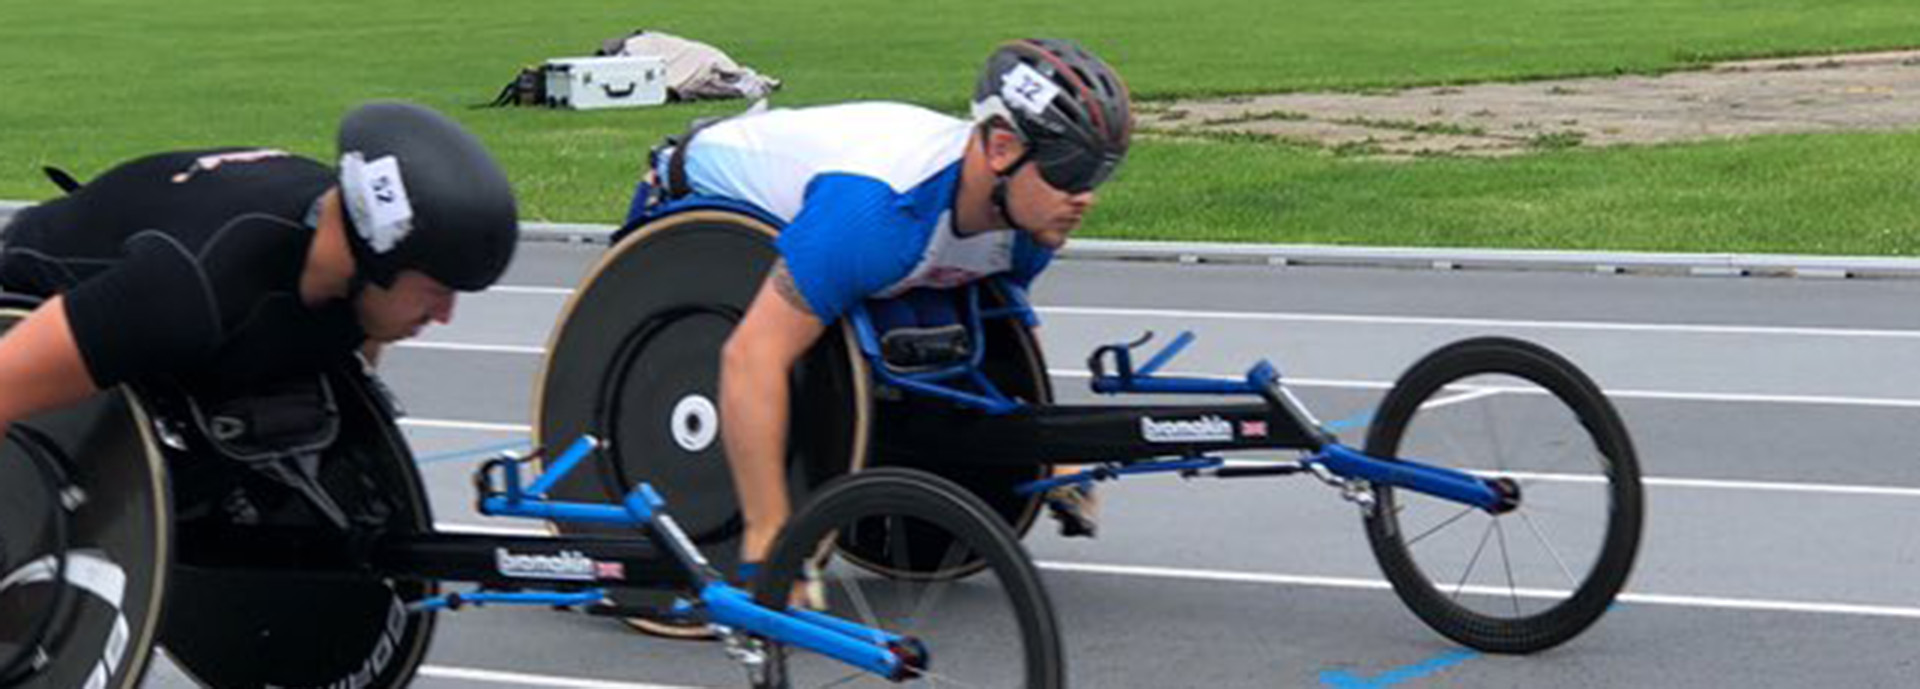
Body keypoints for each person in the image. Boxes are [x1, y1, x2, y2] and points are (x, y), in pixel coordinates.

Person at [633, 38, 1133, 573]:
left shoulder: (1030, 227)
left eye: (1098, 176)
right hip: (689, 200)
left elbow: (1010, 336)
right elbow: (750, 358)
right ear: (1001, 149)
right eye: (1070, 172)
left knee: (925, 332)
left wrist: (1055, 451)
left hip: (874, 228)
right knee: (840, 324)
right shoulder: (876, 215)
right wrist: (772, 540)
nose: (1085, 197)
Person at [0, 101, 519, 438]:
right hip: (38, 296)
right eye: (435, 289)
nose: (446, 315)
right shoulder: (184, 292)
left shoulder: (350, 254)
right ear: (375, 258)